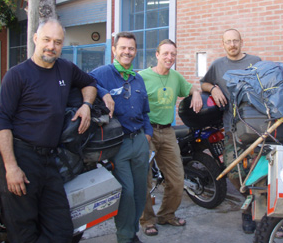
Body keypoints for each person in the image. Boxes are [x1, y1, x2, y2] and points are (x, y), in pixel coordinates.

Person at [0, 18, 97, 243]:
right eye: (47, 40)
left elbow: (89, 82)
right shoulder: (17, 74)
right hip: (21, 157)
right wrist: (11, 168)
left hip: (50, 160)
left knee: (61, 230)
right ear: (35, 39)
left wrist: (86, 105)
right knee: (23, 232)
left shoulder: (66, 68)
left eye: (57, 42)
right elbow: (1, 122)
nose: (52, 46)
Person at [90, 32, 152, 243]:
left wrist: (148, 135)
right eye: (123, 48)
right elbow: (82, 82)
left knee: (140, 193)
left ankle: (131, 231)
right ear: (114, 50)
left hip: (140, 142)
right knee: (126, 193)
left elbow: (145, 112)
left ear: (135, 52)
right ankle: (124, 237)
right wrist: (103, 92)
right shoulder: (102, 73)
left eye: (131, 48)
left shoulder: (138, 78)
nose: (127, 52)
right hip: (118, 145)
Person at [200, 29, 261, 234]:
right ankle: (251, 202)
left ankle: (251, 211)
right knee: (233, 169)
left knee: (257, 171)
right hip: (231, 128)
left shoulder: (256, 61)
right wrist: (213, 89)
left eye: (235, 40)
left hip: (256, 126)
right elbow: (204, 82)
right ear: (223, 44)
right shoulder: (218, 65)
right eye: (228, 41)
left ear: (241, 42)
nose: (232, 44)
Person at [139, 39, 202, 236]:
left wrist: (197, 93)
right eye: (165, 53)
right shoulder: (142, 77)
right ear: (157, 55)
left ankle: (166, 215)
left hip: (167, 131)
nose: (169, 57)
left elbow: (189, 88)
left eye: (173, 54)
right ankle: (147, 220)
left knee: (177, 178)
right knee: (144, 180)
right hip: (146, 131)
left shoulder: (175, 77)